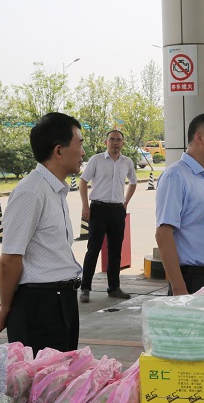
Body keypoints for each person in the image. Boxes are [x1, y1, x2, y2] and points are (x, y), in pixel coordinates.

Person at [0, 112, 85, 356]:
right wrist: (7, 307)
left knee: (61, 376)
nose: (83, 152)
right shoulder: (31, 192)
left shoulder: (55, 190)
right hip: (41, 307)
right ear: (58, 150)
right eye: (80, 143)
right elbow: (10, 259)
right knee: (41, 378)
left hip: (61, 301)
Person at [155, 113, 204, 295]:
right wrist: (180, 289)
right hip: (193, 281)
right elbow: (163, 234)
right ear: (199, 138)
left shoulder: (203, 179)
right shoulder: (176, 176)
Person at [79, 130, 137, 303]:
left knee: (115, 251)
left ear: (123, 144)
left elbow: (133, 182)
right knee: (93, 249)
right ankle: (85, 288)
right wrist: (85, 206)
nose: (115, 143)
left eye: (118, 140)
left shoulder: (127, 162)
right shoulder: (96, 160)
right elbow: (83, 181)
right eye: (112, 139)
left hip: (117, 211)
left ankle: (114, 287)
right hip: (98, 209)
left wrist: (125, 203)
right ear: (106, 142)